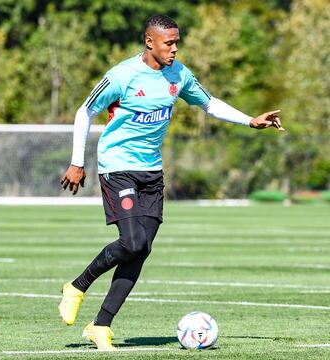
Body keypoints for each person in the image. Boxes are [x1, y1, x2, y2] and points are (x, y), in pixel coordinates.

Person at [59, 14, 284, 351]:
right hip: (117, 166)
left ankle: (101, 325)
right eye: (169, 43)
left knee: (141, 249)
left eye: (177, 42)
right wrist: (78, 162)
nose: (175, 49)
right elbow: (84, 112)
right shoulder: (121, 76)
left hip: (152, 171)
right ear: (150, 42)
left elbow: (209, 104)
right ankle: (77, 286)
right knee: (133, 241)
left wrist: (250, 120)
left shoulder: (179, 75)